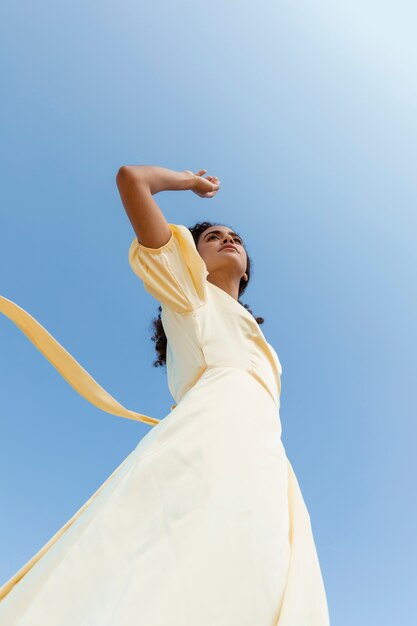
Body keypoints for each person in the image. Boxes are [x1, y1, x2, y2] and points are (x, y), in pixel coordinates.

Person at [0, 165, 330, 625]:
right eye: (213, 236)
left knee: (258, 577)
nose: (229, 239)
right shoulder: (190, 293)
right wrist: (192, 184)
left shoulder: (260, 340)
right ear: (190, 257)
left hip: (265, 454)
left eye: (236, 237)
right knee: (175, 562)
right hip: (207, 441)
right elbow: (132, 179)